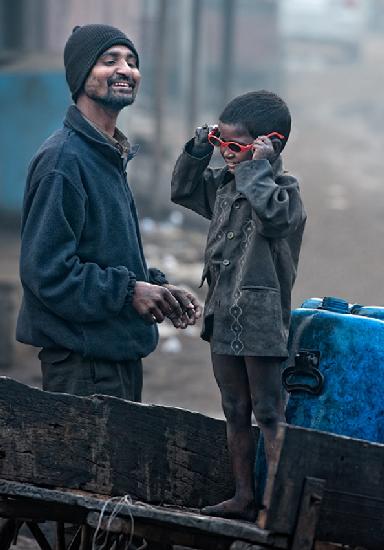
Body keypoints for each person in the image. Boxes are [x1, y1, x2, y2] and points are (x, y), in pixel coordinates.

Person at [16, 24, 201, 401]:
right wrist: (128, 291)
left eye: (132, 61)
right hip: (84, 366)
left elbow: (99, 255)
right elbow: (47, 271)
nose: (125, 70)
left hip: (115, 355)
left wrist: (154, 287)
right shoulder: (64, 162)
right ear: (82, 74)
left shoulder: (105, 155)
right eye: (109, 60)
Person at [171, 90, 306, 521]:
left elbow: (274, 219)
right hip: (223, 315)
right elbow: (183, 189)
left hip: (262, 320)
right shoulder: (226, 188)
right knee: (233, 408)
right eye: (222, 145)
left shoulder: (283, 192)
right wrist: (197, 149)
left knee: (268, 410)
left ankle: (276, 504)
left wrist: (255, 169)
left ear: (271, 145)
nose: (227, 155)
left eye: (237, 147)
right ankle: (244, 495)